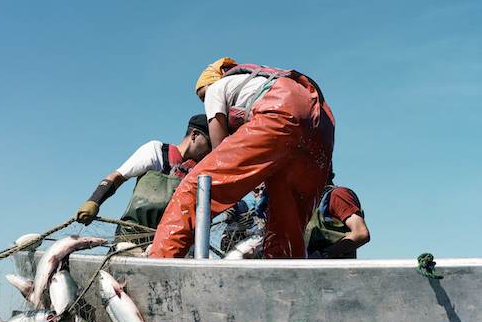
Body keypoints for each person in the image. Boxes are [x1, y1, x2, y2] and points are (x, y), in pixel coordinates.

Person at [149, 57, 335, 259]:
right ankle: (283, 280)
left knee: (196, 188)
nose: (204, 102)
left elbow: (219, 151)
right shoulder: (259, 81)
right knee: (286, 219)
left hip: (280, 108)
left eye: (202, 97)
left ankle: (161, 260)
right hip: (321, 125)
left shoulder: (216, 88)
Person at [75, 115, 211, 232]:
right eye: (209, 144)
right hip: (134, 236)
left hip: (173, 242)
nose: (210, 151)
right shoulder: (156, 151)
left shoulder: (200, 174)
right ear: (194, 135)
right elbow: (118, 176)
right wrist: (94, 202)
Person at [305, 178, 370, 258]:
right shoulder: (314, 203)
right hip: (314, 269)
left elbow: (361, 233)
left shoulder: (338, 195)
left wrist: (324, 255)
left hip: (334, 269)